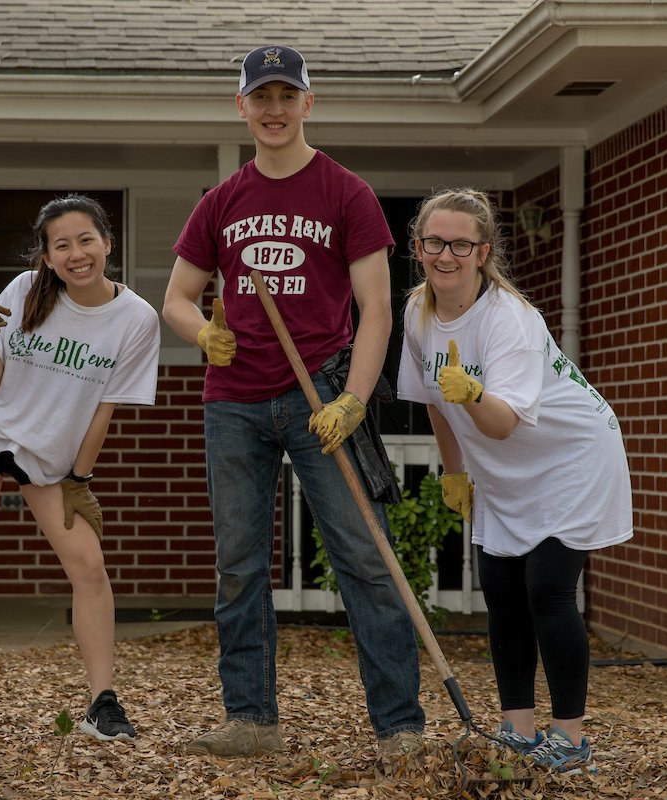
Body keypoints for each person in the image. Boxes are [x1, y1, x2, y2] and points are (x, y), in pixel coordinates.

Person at [162, 44, 426, 763]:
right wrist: (205, 332)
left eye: (287, 96)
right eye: (261, 97)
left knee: (366, 560)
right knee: (240, 565)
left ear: (309, 103)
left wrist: (355, 399)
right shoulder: (221, 202)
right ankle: (252, 721)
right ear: (240, 106)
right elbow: (177, 299)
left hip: (320, 398)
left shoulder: (347, 194)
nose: (274, 110)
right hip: (235, 404)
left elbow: (377, 311)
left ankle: (399, 727)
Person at [0, 194, 160, 742]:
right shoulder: (25, 290)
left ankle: (102, 702)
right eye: (61, 245)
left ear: (107, 244)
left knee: (88, 566)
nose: (76, 253)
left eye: (86, 240)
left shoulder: (136, 319)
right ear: (45, 256)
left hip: (52, 459)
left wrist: (79, 479)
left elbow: (104, 410)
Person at [395, 188, 633, 773]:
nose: (444, 256)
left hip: (570, 455)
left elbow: (500, 423)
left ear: (483, 251)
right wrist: (453, 473)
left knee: (547, 590)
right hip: (502, 470)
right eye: (433, 242)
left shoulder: (511, 320)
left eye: (460, 244)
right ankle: (518, 728)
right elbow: (433, 402)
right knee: (501, 595)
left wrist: (473, 392)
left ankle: (571, 740)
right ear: (417, 247)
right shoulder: (417, 311)